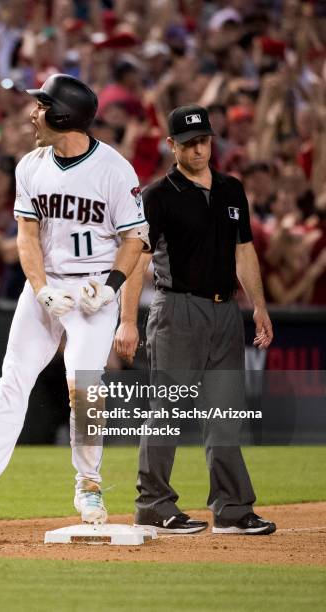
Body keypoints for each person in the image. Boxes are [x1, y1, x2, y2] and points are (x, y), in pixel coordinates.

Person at [0, 74, 148, 541]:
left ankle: (88, 484)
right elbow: (26, 236)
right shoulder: (31, 165)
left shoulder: (115, 170)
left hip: (92, 293)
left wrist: (111, 288)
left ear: (64, 116)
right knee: (11, 384)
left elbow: (135, 240)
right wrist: (40, 288)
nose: (32, 113)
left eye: (41, 106)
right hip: (47, 288)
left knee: (84, 385)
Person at [115, 104, 276, 536]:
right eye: (188, 143)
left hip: (226, 310)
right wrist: (127, 321)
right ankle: (152, 504)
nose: (199, 148)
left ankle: (231, 509)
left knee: (226, 411)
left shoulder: (231, 190)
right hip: (177, 308)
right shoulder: (157, 195)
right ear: (172, 146)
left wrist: (258, 305)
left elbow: (245, 250)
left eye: (203, 140)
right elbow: (138, 261)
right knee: (168, 406)